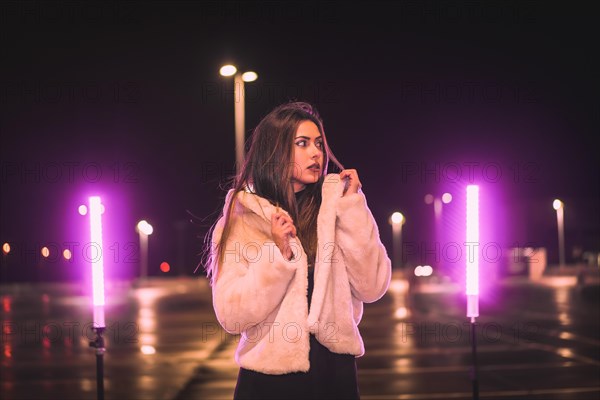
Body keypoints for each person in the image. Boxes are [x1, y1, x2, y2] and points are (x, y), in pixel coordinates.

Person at [205, 101, 391, 399]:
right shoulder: (243, 219)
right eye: (302, 144)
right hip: (269, 382)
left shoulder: (338, 209)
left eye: (318, 143)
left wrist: (354, 209)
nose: (316, 153)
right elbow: (231, 316)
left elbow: (373, 287)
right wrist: (277, 256)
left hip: (334, 375)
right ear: (275, 151)